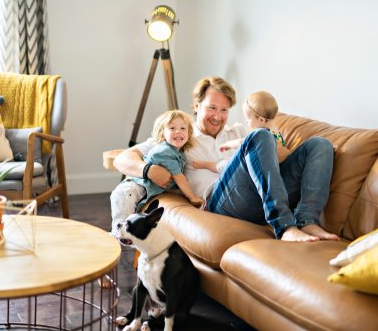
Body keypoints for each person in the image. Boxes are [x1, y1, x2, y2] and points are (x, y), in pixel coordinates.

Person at [114, 77, 339, 242]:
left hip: (262, 196)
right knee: (258, 136)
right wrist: (147, 170)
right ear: (195, 106)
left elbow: (286, 158)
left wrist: (255, 139)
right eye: (212, 108)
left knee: (320, 145)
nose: (217, 116)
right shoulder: (179, 135)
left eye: (223, 110)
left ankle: (306, 220)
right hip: (222, 203)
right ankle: (284, 226)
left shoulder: (241, 131)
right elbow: (123, 159)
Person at [110, 110, 203, 235]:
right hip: (129, 191)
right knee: (122, 231)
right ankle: (114, 241)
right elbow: (179, 178)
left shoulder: (177, 153)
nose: (178, 131)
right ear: (163, 134)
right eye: (172, 128)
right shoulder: (164, 152)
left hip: (136, 191)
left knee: (129, 229)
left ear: (189, 133)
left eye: (183, 128)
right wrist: (193, 197)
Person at [191, 90, 289, 173]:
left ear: (261, 120)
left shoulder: (262, 133)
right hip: (274, 170)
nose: (246, 121)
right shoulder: (276, 132)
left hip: (265, 171)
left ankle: (207, 165)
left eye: (248, 118)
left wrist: (229, 145)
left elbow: (243, 142)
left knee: (228, 164)